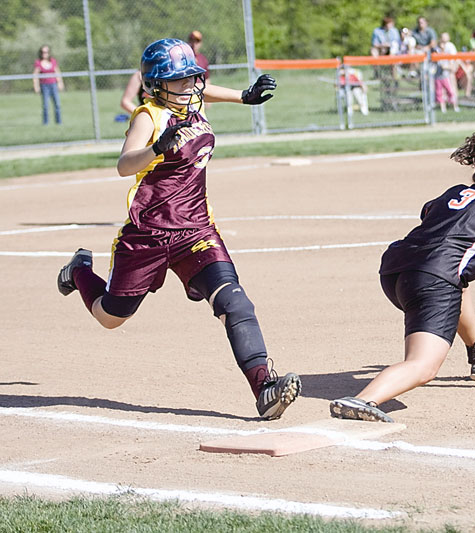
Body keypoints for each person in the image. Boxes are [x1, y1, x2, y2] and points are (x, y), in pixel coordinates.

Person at [57, 38, 301, 420]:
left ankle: (264, 388)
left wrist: (244, 96)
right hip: (146, 236)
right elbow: (124, 165)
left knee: (234, 303)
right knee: (110, 317)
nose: (191, 85)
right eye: (180, 79)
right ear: (157, 84)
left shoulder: (191, 102)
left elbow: (208, 94)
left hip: (196, 231)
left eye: (193, 77)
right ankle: (79, 271)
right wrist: (157, 147)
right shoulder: (149, 116)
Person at [329, 132, 475, 423]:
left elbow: (431, 215)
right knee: (423, 366)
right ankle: (361, 401)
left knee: (457, 282)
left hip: (395, 270)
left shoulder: (453, 192)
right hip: (430, 283)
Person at [32, 45, 64, 125]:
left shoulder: (53, 61)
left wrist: (60, 83)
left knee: (57, 104)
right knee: (45, 105)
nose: (44, 53)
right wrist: (36, 86)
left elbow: (57, 72)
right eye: (43, 52)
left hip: (53, 84)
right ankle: (45, 123)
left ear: (49, 53)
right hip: (44, 85)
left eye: (46, 52)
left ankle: (58, 122)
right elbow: (35, 75)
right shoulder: (38, 62)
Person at [434, 32, 459, 113]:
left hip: (448, 73)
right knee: (440, 92)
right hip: (439, 75)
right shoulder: (437, 49)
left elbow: (453, 60)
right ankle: (443, 108)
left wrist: (451, 68)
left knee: (451, 90)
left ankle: (455, 106)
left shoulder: (450, 46)